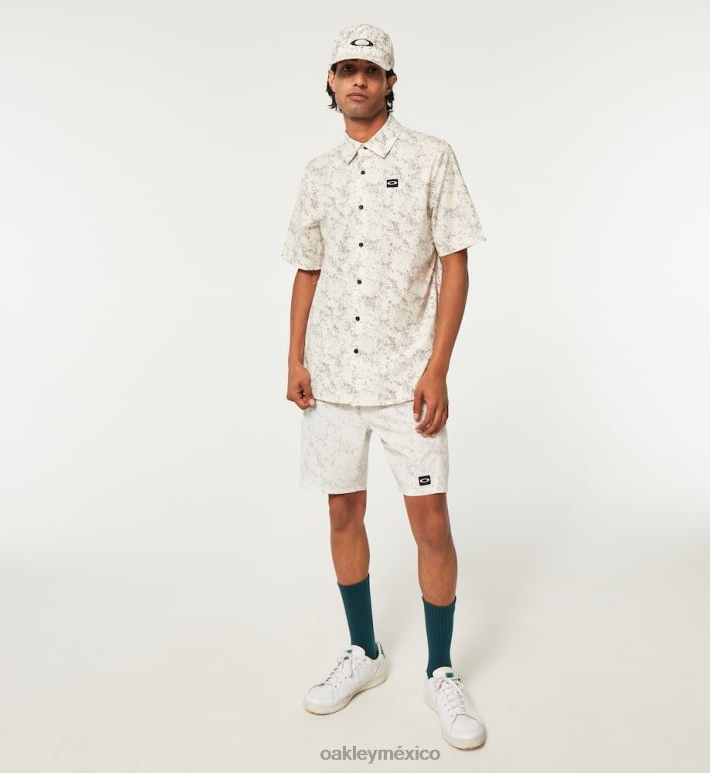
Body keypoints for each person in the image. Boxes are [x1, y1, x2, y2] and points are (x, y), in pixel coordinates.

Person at [281, 22, 487, 750]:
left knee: (430, 521)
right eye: (346, 69)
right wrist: (294, 357)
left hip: (407, 381)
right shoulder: (319, 172)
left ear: (391, 81)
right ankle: (364, 652)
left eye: (370, 69)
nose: (358, 80)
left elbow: (455, 264)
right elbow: (307, 267)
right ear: (330, 82)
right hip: (333, 376)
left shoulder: (432, 157)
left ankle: (440, 668)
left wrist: (438, 367)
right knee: (343, 511)